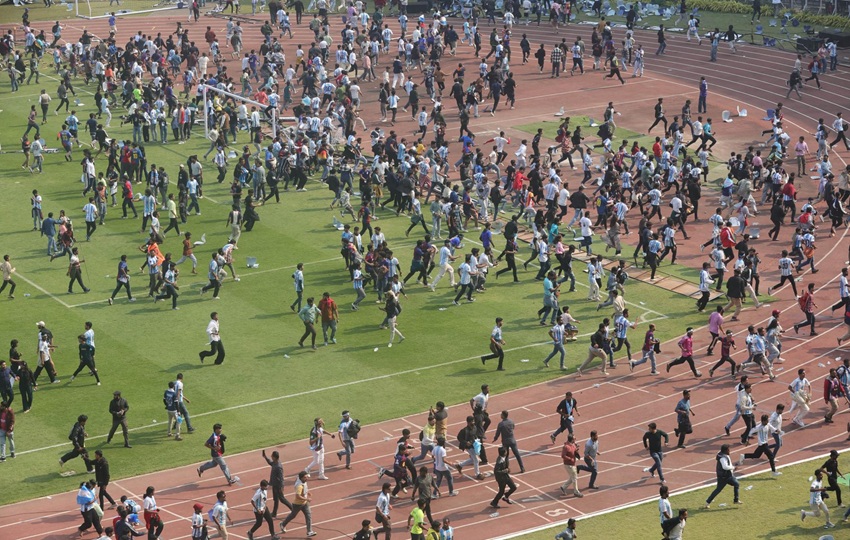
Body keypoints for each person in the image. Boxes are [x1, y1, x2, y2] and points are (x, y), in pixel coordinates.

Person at [279, 471, 316, 537]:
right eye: (305, 477)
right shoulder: (299, 486)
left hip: (305, 503)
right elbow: (298, 496)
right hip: (297, 504)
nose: (306, 478)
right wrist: (307, 499)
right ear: (301, 478)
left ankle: (309, 531)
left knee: (308, 516)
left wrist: (308, 492)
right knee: (292, 515)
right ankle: (283, 524)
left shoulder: (303, 482)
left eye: (306, 477)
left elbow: (305, 488)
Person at [262, 449, 293, 517]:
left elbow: (281, 477)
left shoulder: (278, 466)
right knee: (276, 499)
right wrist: (265, 457)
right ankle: (274, 513)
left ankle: (293, 509)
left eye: (272, 456)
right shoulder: (275, 463)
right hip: (274, 484)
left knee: (282, 499)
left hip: (278, 486)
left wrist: (282, 487)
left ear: (275, 457)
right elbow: (270, 462)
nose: (271, 457)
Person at [558, 434, 583, 498]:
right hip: (568, 465)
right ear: (571, 439)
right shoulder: (566, 447)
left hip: (572, 464)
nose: (575, 439)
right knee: (574, 477)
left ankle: (563, 487)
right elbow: (563, 455)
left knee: (573, 477)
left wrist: (577, 449)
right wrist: (570, 459)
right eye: (574, 439)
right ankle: (576, 491)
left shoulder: (573, 445)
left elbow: (574, 451)